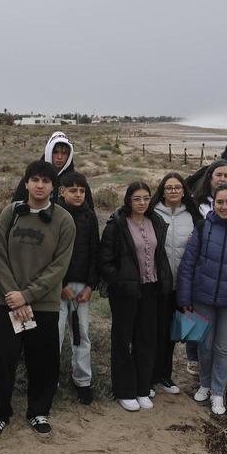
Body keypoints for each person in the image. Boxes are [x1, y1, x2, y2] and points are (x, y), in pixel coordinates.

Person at [0, 159, 76, 438]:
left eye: (46, 181)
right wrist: (15, 297)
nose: (40, 185)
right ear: (26, 183)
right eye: (34, 180)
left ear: (53, 187)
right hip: (7, 302)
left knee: (44, 361)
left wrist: (27, 296)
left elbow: (59, 266)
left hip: (43, 304)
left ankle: (38, 411)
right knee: (3, 359)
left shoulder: (64, 220)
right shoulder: (10, 213)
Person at [176, 185, 227, 416]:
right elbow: (188, 264)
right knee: (205, 345)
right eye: (220, 202)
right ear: (214, 204)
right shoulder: (203, 227)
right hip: (203, 297)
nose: (224, 207)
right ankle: (204, 383)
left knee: (222, 348)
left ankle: (217, 392)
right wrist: (184, 298)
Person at [100, 181, 173, 411]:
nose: (142, 203)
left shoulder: (156, 221)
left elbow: (160, 255)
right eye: (137, 198)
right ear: (128, 200)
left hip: (151, 290)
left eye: (145, 198)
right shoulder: (116, 225)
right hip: (125, 292)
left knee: (147, 340)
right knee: (123, 341)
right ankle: (124, 390)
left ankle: (143, 388)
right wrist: (121, 282)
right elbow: (106, 261)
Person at [150, 171, 202, 392]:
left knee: (173, 332)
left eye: (177, 187)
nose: (173, 191)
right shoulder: (152, 213)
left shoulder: (193, 216)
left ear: (184, 191)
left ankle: (165, 376)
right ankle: (150, 376)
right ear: (162, 190)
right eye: (169, 187)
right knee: (153, 331)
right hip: (156, 283)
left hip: (181, 285)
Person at [57, 171, 100, 404]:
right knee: (55, 333)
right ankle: (49, 379)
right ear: (62, 191)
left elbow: (95, 252)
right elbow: (50, 256)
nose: (78, 194)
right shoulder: (52, 215)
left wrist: (90, 286)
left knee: (81, 334)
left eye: (82, 190)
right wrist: (60, 285)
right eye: (73, 190)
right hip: (56, 287)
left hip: (82, 287)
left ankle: (82, 380)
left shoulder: (90, 217)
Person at [12, 130, 90, 206]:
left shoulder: (77, 181)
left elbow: (89, 212)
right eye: (55, 152)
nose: (59, 157)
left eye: (64, 153)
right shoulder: (32, 178)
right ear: (49, 152)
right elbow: (15, 207)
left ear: (69, 156)